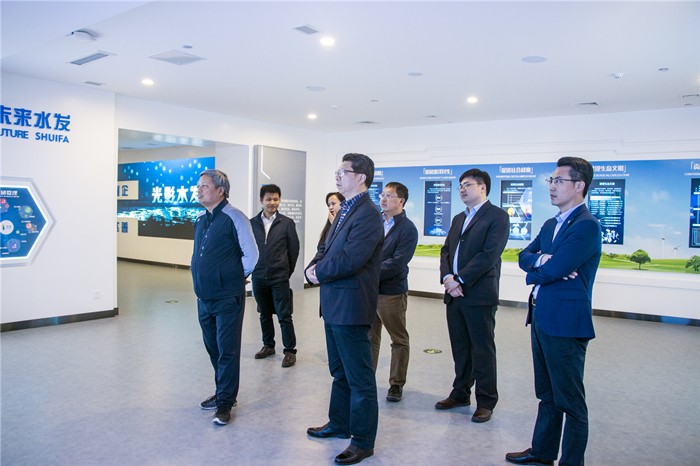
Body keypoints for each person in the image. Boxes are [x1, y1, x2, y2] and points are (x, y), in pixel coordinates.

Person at [506, 157, 601, 466]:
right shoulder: (551, 224)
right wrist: (544, 261)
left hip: (566, 323)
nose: (552, 186)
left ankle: (571, 461)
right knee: (546, 393)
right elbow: (524, 255)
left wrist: (541, 268)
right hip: (541, 316)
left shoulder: (586, 226)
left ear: (579, 185)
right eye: (551, 180)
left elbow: (556, 268)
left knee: (570, 400)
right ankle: (542, 452)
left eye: (559, 180)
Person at [304, 153, 384, 465]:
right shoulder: (345, 208)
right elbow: (325, 247)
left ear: (361, 177)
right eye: (337, 171)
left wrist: (318, 273)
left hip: (351, 306)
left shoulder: (368, 214)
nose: (337, 176)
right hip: (334, 304)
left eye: (343, 171)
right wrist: (313, 266)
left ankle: (362, 441)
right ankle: (339, 423)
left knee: (360, 378)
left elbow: (352, 258)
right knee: (339, 372)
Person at [436, 168, 509, 423]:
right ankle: (460, 393)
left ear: (483, 187)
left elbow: (489, 255)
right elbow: (446, 251)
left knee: (482, 349)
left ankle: (486, 401)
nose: (462, 189)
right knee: (460, 347)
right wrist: (447, 277)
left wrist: (460, 279)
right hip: (454, 293)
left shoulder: (497, 216)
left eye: (467, 185)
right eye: (460, 186)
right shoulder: (459, 218)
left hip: (479, 294)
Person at [191, 169, 259, 426]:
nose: (199, 190)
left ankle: (225, 403)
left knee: (227, 350)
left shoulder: (235, 217)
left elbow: (252, 255)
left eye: (205, 186)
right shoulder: (201, 219)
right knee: (214, 348)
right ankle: (223, 391)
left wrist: (233, 277)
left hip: (227, 297)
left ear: (220, 190)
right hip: (204, 296)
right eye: (199, 186)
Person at [369, 182, 418, 402]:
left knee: (398, 339)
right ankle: (367, 378)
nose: (383, 199)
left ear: (401, 201)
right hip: (369, 291)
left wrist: (368, 272)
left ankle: (396, 384)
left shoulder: (408, 229)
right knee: (370, 337)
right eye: (382, 194)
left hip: (391, 292)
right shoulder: (374, 222)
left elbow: (397, 262)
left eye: (389, 195)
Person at [249, 184, 300, 367]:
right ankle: (268, 345)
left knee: (284, 315)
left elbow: (294, 250)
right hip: (258, 276)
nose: (272, 202)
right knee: (264, 314)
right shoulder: (252, 223)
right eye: (268, 199)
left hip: (279, 277)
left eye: (276, 199)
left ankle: (290, 350)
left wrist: (285, 271)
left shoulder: (287, 223)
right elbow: (248, 249)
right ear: (261, 200)